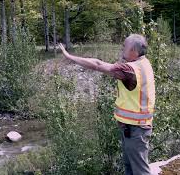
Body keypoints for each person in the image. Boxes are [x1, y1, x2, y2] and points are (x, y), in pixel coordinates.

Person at [58, 34, 155, 175]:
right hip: (134, 128)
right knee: (130, 167)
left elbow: (98, 65)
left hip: (136, 130)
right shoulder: (143, 63)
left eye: (124, 46)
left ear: (134, 51)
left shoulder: (129, 70)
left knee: (140, 171)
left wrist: (69, 56)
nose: (122, 48)